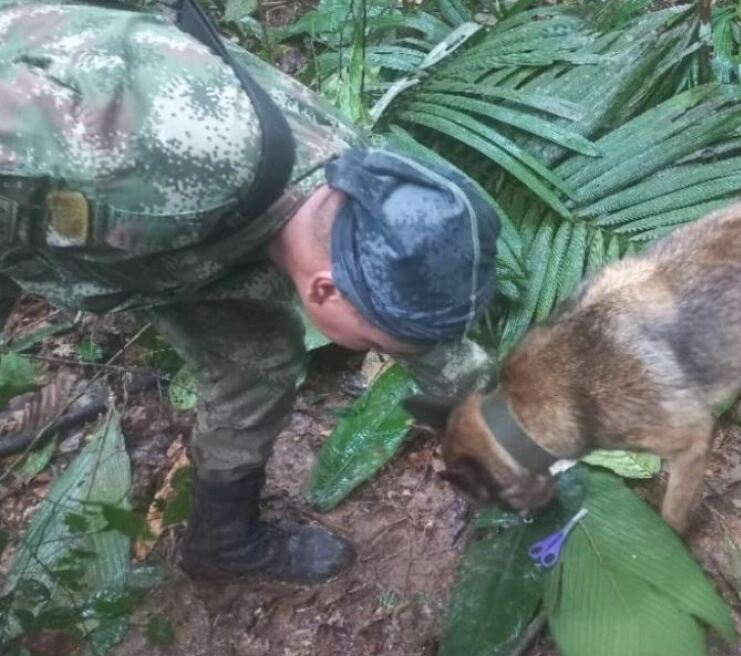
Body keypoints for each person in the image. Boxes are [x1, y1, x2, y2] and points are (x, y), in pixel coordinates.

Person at [0, 0, 499, 585]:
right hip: (41, 170)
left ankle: (222, 541)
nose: (383, 351)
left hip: (178, 241)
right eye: (376, 344)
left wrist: (502, 426)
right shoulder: (146, 165)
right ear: (324, 289)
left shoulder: (358, 192)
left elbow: (417, 327)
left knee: (256, 363)